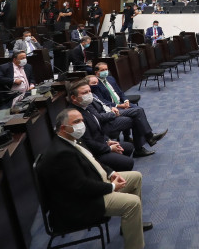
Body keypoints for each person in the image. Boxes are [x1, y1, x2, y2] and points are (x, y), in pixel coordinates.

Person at [36, 109, 152, 249]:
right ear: (63, 128)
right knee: (132, 203)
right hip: (82, 202)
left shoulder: (71, 139)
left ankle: (129, 225)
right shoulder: (61, 154)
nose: (81, 124)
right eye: (77, 122)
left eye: (82, 120)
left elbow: (93, 161)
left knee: (136, 177)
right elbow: (81, 187)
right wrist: (112, 187)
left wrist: (111, 173)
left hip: (95, 183)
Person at [66, 80, 138, 169]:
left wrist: (108, 140)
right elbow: (88, 143)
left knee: (129, 146)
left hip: (101, 142)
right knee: (128, 162)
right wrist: (109, 148)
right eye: (85, 92)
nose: (89, 94)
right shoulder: (75, 115)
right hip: (93, 153)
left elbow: (98, 129)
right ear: (73, 97)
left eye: (89, 91)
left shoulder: (87, 107)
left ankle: (115, 171)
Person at [88, 72, 166, 148]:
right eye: (93, 83)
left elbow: (120, 92)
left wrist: (125, 101)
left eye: (106, 69)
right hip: (110, 114)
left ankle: (145, 141)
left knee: (138, 111)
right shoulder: (90, 97)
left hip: (115, 107)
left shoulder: (108, 81)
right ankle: (148, 138)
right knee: (137, 113)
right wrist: (115, 110)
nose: (96, 85)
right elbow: (100, 112)